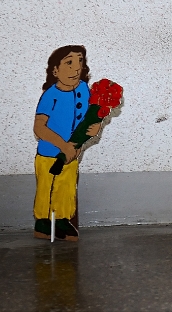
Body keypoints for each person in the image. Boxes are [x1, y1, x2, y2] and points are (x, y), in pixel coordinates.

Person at [33, 45, 101, 241]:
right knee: (47, 188)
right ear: (55, 70)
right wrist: (63, 146)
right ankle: (43, 222)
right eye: (69, 62)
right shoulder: (51, 95)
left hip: (73, 154)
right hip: (49, 154)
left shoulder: (83, 89)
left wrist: (94, 128)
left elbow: (89, 117)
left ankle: (62, 219)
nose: (76, 67)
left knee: (66, 187)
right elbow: (39, 127)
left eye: (80, 61)